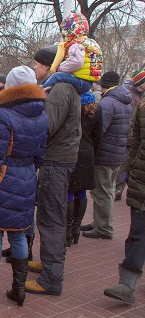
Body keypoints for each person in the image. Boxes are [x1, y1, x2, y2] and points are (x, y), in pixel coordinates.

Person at [0, 66, 47, 307]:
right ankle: (18, 289)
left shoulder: (3, 114)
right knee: (18, 235)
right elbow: (41, 154)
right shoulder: (42, 114)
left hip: (1, 177)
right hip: (26, 177)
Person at [25, 42, 92, 296]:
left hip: (55, 161)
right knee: (51, 214)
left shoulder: (61, 89)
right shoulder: (65, 88)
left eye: (37, 64)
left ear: (51, 65)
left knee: (51, 216)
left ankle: (51, 277)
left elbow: (47, 127)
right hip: (58, 160)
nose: (34, 67)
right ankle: (49, 261)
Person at [103, 95, 145, 304]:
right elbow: (134, 140)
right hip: (142, 179)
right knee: (138, 233)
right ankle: (127, 284)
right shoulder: (143, 105)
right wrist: (130, 170)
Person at [81, 71, 132, 239]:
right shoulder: (125, 101)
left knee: (101, 191)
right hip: (117, 152)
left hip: (105, 154)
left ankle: (103, 227)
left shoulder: (108, 102)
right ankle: (99, 222)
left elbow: (100, 130)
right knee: (107, 189)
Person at [65, 92, 102, 246]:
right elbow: (98, 135)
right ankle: (75, 230)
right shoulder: (96, 107)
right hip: (88, 152)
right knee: (81, 191)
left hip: (72, 150)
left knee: (69, 191)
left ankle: (67, 232)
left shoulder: (73, 104)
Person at [115, 69, 145, 200]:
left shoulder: (140, 96)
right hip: (129, 137)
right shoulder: (131, 96)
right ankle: (119, 189)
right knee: (125, 165)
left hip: (133, 137)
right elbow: (132, 120)